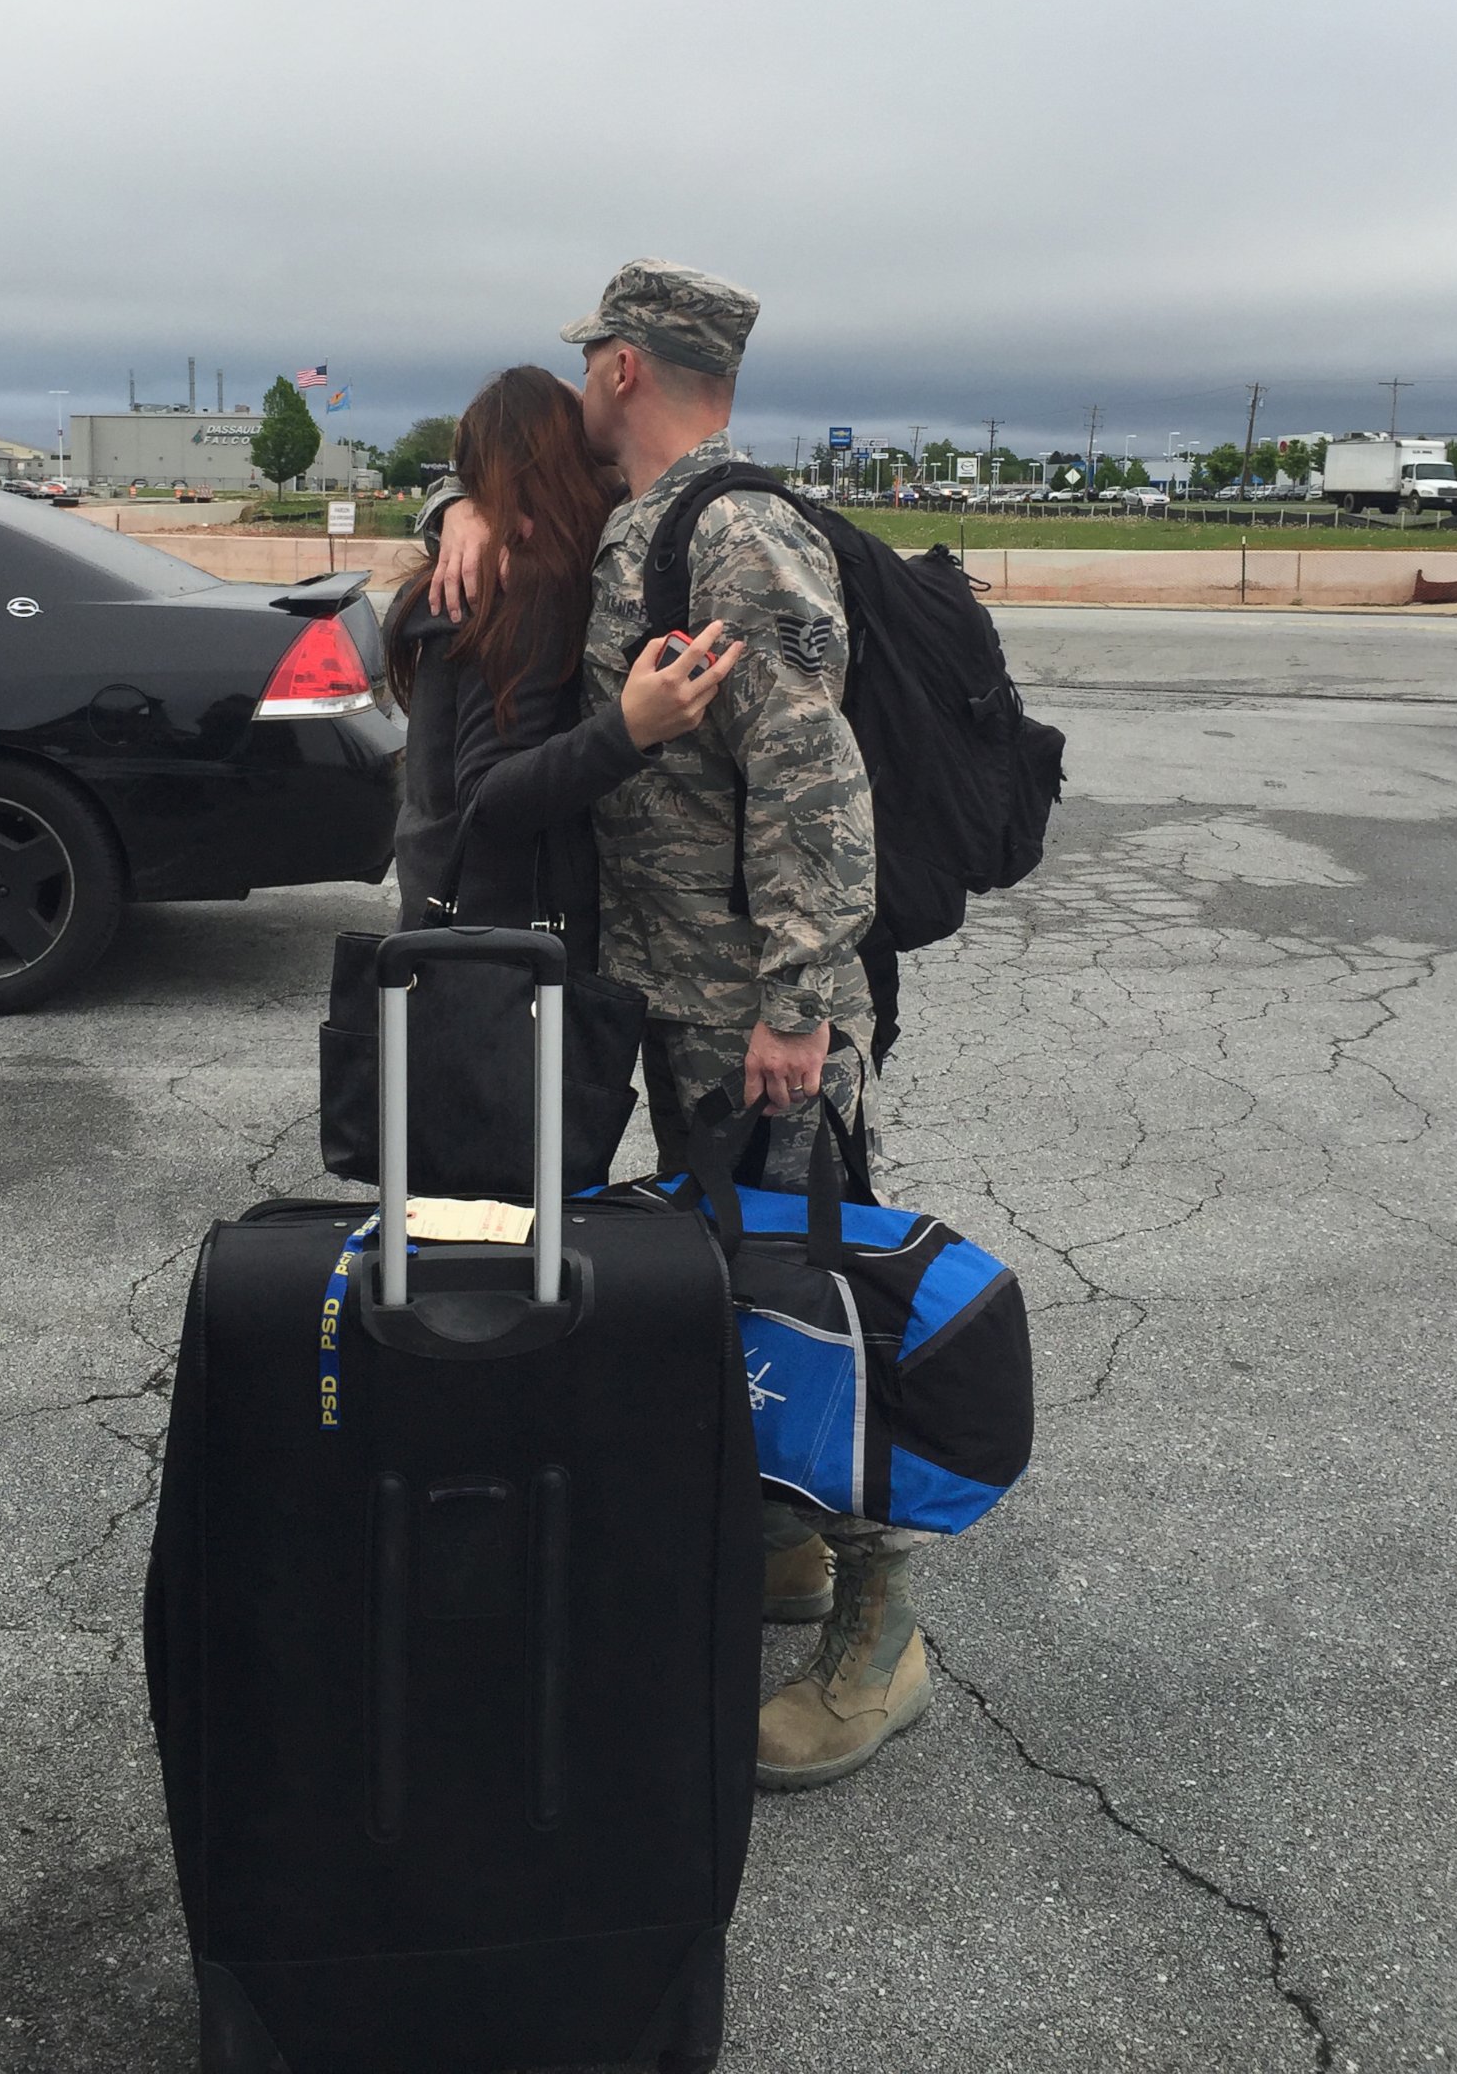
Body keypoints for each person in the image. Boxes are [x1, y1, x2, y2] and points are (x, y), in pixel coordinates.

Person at [427, 262, 930, 1793]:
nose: (578, 382)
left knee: (816, 1293)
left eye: (592, 359)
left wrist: (796, 1004)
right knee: (732, 1272)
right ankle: (783, 1542)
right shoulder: (646, 515)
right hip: (672, 994)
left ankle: (881, 1633)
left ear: (627, 366)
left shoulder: (735, 529)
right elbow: (504, 478)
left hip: (758, 1018)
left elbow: (814, 784)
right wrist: (454, 514)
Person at [387, 364, 741, 968]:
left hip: (452, 929)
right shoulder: (519, 589)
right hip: (508, 952)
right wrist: (628, 731)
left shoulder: (481, 572)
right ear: (563, 467)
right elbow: (486, 797)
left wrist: (457, 502)